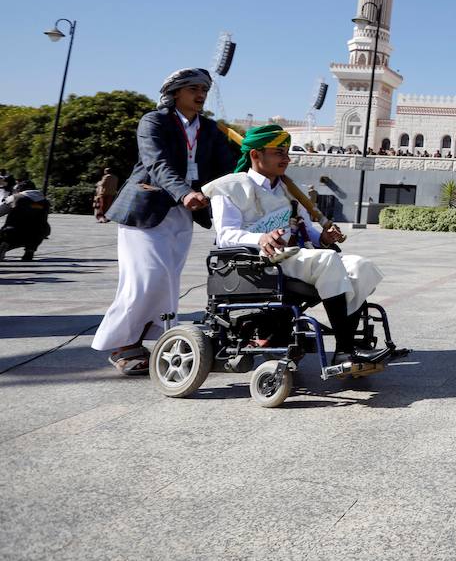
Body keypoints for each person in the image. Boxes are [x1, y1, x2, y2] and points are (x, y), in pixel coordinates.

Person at [92, 68, 237, 375]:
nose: (200, 95)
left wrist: (253, 166)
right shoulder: (153, 121)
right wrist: (184, 192)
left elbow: (227, 167)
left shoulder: (210, 128)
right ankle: (122, 344)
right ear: (175, 93)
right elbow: (156, 163)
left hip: (184, 213)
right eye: (193, 89)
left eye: (204, 90)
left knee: (169, 278)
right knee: (146, 275)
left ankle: (159, 339)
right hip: (146, 209)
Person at [203, 124, 384, 369]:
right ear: (256, 155)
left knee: (361, 266)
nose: (286, 159)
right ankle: (344, 350)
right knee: (327, 261)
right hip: (259, 262)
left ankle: (349, 343)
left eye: (287, 152)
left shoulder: (289, 190)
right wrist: (260, 238)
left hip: (297, 256)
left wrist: (324, 239)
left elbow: (307, 230)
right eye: (279, 152)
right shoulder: (228, 187)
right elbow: (225, 235)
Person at [0, 181, 51, 261]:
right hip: (38, 233)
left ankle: (3, 245)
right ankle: (30, 250)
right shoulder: (45, 201)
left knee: (7, 235)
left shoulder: (15, 197)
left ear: (20, 189)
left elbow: (1, 211)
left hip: (13, 232)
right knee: (38, 229)